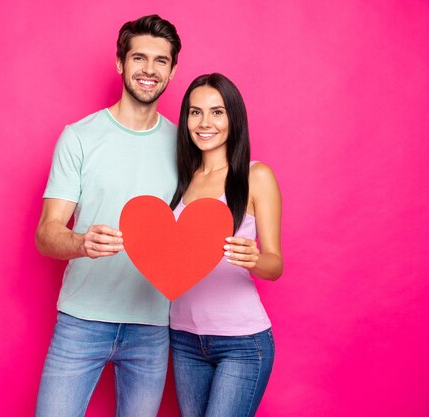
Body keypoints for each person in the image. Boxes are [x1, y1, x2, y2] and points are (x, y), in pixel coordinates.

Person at [34, 15, 181, 417]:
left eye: (161, 61)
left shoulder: (185, 145)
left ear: (172, 70)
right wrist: (81, 243)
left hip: (151, 327)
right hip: (82, 320)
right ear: (120, 63)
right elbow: (46, 233)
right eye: (139, 58)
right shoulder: (79, 137)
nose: (149, 70)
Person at [168, 73, 283, 417]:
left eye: (217, 112)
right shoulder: (180, 179)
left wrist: (254, 259)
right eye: (195, 112)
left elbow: (275, 264)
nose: (205, 123)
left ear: (234, 117)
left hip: (242, 342)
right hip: (183, 338)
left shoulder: (255, 176)